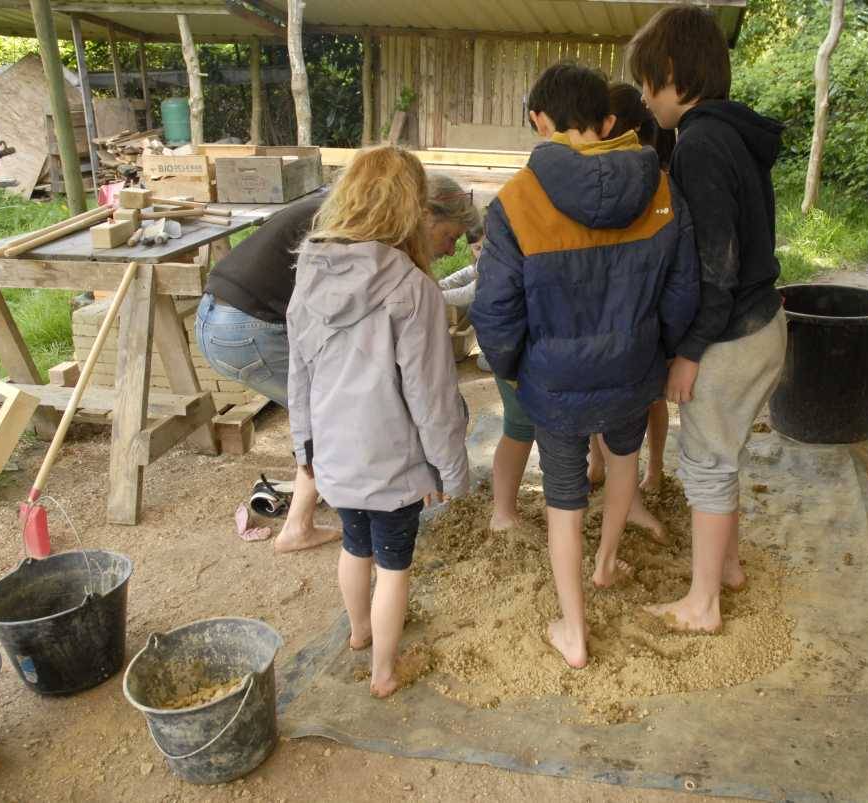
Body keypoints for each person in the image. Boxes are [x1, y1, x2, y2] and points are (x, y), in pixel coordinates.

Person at [471, 63, 699, 668]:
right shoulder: (661, 189)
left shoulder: (516, 202)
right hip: (633, 371)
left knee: (565, 497)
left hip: (553, 383)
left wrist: (515, 369)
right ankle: (606, 563)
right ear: (608, 120)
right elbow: (682, 292)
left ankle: (573, 631)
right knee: (624, 462)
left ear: (538, 120)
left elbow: (494, 311)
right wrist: (660, 352)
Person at [195, 173, 479, 554]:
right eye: (449, 236)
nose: (449, 249)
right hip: (244, 326)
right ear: (425, 215)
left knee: (329, 418)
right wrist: (430, 467)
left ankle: (313, 522)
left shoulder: (360, 217)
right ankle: (327, 525)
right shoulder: (367, 237)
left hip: (222, 316)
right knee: (335, 418)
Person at [287, 145, 470, 697]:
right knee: (394, 565)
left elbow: (299, 374)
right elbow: (432, 397)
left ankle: (360, 633)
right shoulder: (412, 288)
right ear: (411, 207)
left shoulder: (308, 273)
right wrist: (452, 471)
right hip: (393, 461)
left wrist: (304, 447)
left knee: (354, 544)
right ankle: (385, 672)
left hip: (335, 453)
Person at [628, 6, 788, 633]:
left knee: (706, 462)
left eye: (648, 81)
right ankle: (728, 568)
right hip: (762, 322)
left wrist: (690, 350)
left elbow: (718, 270)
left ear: (673, 72)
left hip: (732, 334)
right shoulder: (732, 132)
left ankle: (702, 604)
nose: (645, 98)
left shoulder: (700, 144)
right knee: (722, 454)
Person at [586, 83, 676, 496]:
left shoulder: (659, 179)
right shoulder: (600, 173)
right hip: (623, 294)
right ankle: (605, 463)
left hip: (639, 296)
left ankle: (650, 469)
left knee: (646, 392)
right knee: (614, 387)